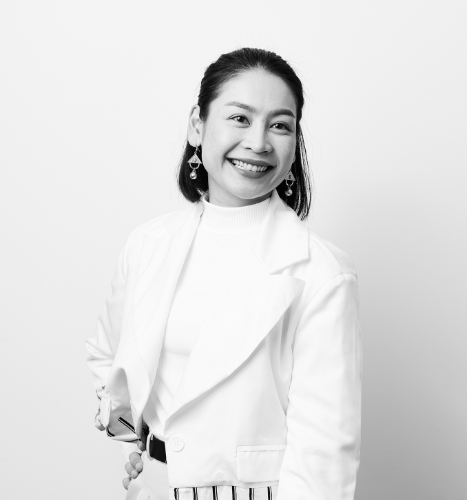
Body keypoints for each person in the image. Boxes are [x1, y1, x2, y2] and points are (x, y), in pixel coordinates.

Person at [85, 47, 362, 500]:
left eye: (280, 125)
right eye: (239, 118)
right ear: (197, 125)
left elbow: (324, 455)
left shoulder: (322, 272)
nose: (258, 142)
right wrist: (134, 438)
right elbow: (107, 356)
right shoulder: (149, 243)